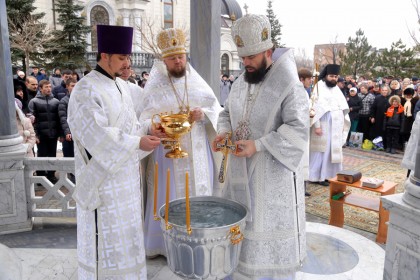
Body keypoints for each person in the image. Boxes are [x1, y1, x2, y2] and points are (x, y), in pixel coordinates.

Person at [213, 14, 309, 279]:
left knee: (265, 251)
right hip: (239, 174)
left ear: (268, 51)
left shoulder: (289, 84)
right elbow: (225, 114)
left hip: (271, 180)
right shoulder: (242, 81)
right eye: (242, 57)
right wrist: (223, 132)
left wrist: (259, 145)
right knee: (240, 246)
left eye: (251, 57)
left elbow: (299, 129)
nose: (246, 63)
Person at [67, 24, 161, 279]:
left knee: (128, 236)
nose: (126, 63)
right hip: (104, 185)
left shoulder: (120, 86)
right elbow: (96, 136)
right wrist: (137, 143)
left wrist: (150, 129)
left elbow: (129, 127)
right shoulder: (86, 89)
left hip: (127, 181)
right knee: (107, 240)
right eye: (122, 58)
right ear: (104, 55)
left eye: (128, 57)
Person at [138, 27, 222, 258]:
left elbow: (216, 109)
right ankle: (166, 246)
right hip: (165, 154)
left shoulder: (197, 82)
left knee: (198, 192)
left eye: (181, 57)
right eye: (172, 58)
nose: (177, 61)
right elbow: (143, 118)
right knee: (169, 195)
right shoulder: (154, 86)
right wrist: (151, 127)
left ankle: (200, 239)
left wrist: (203, 114)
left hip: (196, 150)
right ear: (164, 60)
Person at [308, 64, 350, 186]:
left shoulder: (336, 89)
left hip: (336, 127)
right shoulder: (318, 86)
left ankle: (330, 176)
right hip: (323, 125)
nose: (334, 79)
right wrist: (317, 126)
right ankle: (317, 177)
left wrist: (343, 124)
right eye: (331, 76)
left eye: (336, 77)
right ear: (326, 76)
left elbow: (343, 108)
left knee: (332, 152)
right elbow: (313, 109)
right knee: (321, 152)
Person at [28, 79, 61, 183]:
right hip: (41, 135)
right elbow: (31, 121)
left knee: (52, 155)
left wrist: (60, 134)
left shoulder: (56, 101)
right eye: (46, 87)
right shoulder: (34, 102)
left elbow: (59, 119)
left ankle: (51, 175)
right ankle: (41, 176)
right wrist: (35, 135)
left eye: (50, 87)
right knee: (41, 155)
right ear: (40, 89)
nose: (48, 89)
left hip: (53, 134)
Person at [58, 78, 77, 158]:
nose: (75, 88)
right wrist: (67, 132)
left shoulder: (81, 100)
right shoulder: (64, 101)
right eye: (72, 86)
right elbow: (63, 118)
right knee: (69, 155)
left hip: (79, 134)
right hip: (69, 133)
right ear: (67, 87)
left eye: (76, 86)